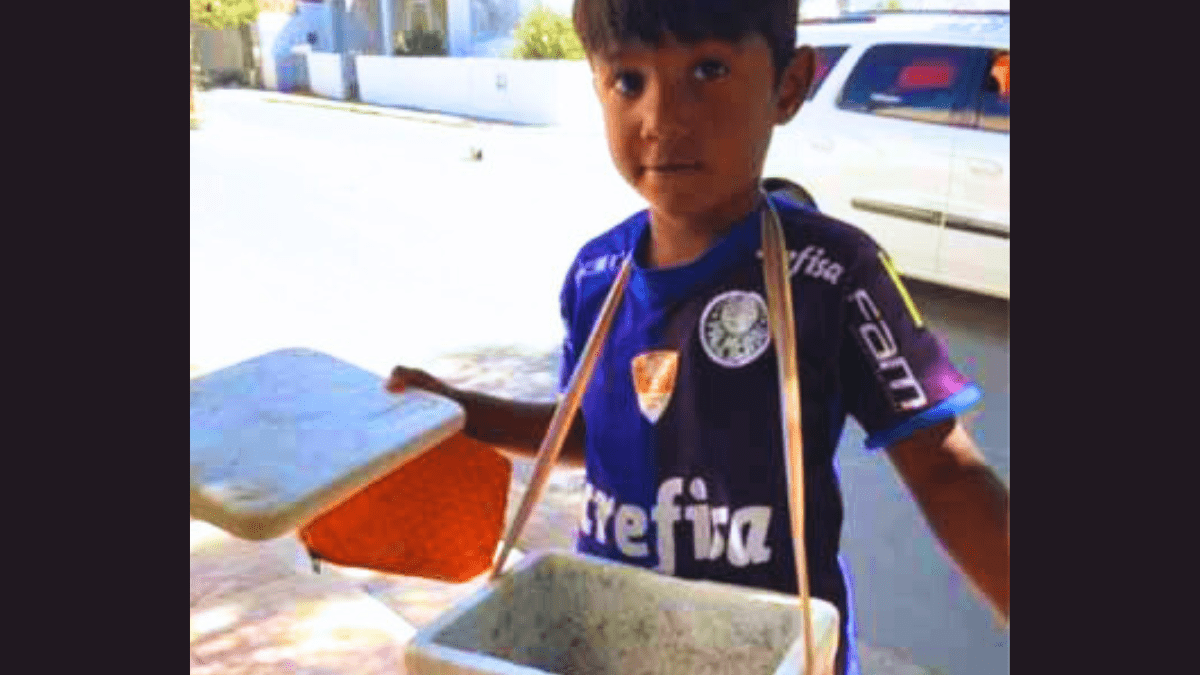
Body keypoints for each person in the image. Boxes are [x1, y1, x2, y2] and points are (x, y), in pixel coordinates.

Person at [386, 2, 1010, 673]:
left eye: (708, 69)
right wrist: (462, 411)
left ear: (789, 86)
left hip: (773, 650)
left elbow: (946, 471)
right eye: (628, 82)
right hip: (615, 639)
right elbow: (590, 432)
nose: (661, 119)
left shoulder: (833, 274)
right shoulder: (597, 275)